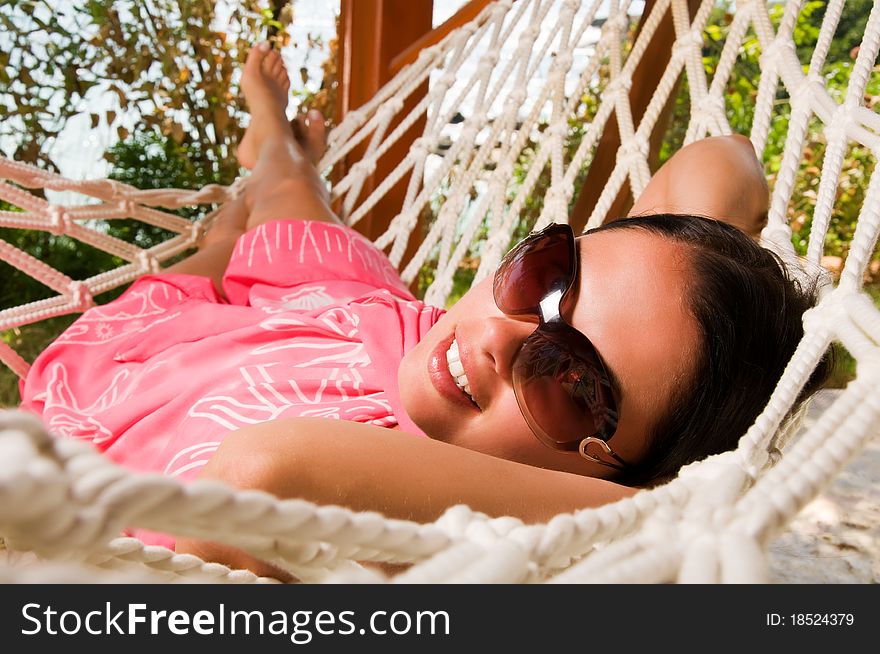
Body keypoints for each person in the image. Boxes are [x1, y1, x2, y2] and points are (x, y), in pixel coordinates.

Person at [18, 44, 829, 579]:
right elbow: (722, 159)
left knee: (190, 277)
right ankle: (275, 146)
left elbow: (266, 470)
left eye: (573, 382)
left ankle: (259, 178)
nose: (500, 338)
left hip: (138, 385)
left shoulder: (430, 541)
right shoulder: (455, 344)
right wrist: (722, 259)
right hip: (359, 319)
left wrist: (659, 512)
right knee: (287, 205)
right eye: (545, 272)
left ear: (630, 473)